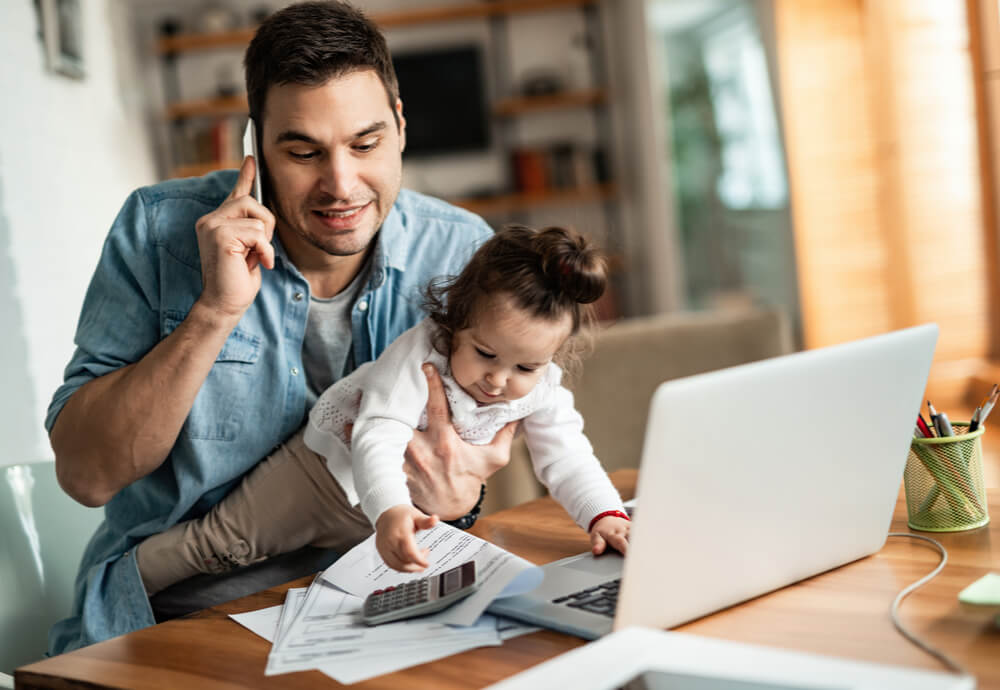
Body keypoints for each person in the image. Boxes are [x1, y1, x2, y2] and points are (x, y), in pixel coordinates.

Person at [45, 1, 509, 655]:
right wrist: (214, 312)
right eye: (302, 151)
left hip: (387, 600)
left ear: (401, 126)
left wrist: (465, 494)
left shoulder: (463, 253)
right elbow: (87, 476)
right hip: (184, 614)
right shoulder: (157, 233)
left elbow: (476, 459)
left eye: (365, 144)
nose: (341, 184)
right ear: (254, 148)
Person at [134, 225, 630, 593]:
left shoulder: (542, 389)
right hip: (321, 476)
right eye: (484, 354)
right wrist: (391, 510)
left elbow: (567, 457)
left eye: (527, 367)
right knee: (220, 546)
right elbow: (378, 434)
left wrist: (603, 516)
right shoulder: (421, 353)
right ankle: (128, 581)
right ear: (456, 321)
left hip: (392, 514)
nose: (499, 381)